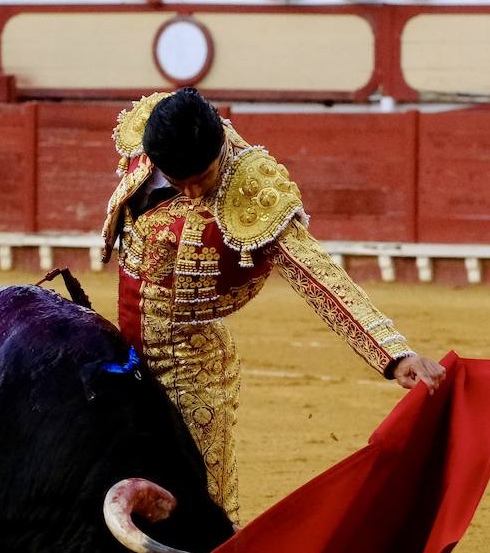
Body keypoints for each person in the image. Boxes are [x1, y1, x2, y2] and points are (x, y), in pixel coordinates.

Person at [101, 88, 444, 521]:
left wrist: (395, 355)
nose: (189, 193)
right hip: (126, 352)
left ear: (220, 149)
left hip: (190, 367)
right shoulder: (157, 131)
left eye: (201, 179)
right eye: (176, 180)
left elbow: (317, 274)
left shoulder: (252, 190)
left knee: (203, 502)